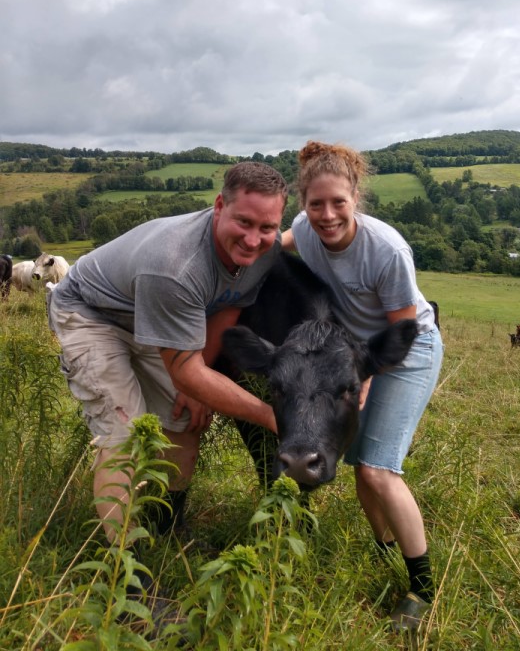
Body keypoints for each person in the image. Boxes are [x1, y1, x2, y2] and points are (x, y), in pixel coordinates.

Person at [47, 161, 287, 544]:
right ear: (219, 206)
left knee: (184, 418)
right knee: (123, 435)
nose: (254, 239)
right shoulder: (176, 264)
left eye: (267, 227)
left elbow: (230, 304)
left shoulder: (267, 252)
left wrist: (197, 384)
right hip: (93, 313)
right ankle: (127, 572)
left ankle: (167, 528)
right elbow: (186, 373)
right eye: (244, 222)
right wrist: (271, 416)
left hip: (156, 321)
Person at [282, 141, 443, 631]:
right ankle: (384, 549)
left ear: (356, 199)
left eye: (338, 203)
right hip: (356, 356)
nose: (327, 215)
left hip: (405, 352)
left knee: (378, 469)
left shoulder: (386, 250)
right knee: (357, 466)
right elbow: (271, 243)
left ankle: (421, 589)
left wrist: (362, 380)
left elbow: (401, 331)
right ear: (303, 205)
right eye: (316, 204)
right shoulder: (304, 232)